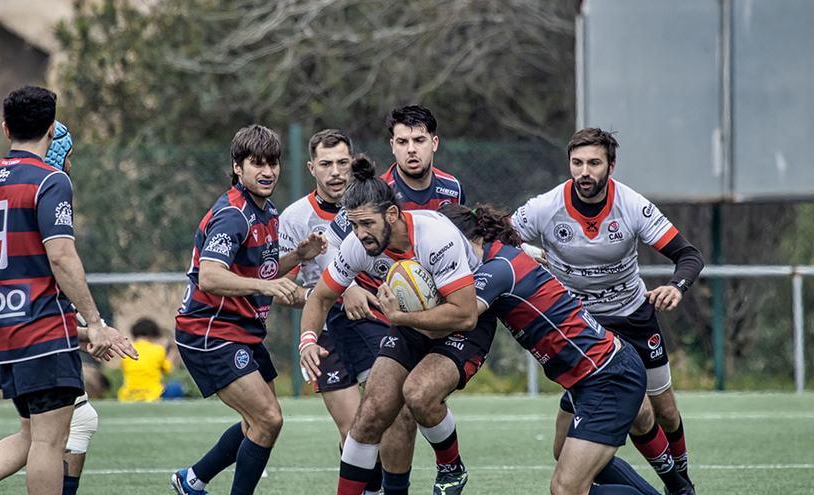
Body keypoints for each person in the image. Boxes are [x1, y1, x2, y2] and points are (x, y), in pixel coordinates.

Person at [0, 87, 136, 495]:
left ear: (6, 127)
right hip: (42, 327)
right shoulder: (51, 180)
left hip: (3, 324)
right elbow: (62, 257)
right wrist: (95, 322)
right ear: (53, 128)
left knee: (33, 431)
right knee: (48, 440)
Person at [510, 128, 703, 494]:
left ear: (610, 166)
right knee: (570, 444)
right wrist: (531, 252)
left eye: (594, 163)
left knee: (662, 410)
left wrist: (675, 287)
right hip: (582, 328)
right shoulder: (545, 207)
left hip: (633, 316)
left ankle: (681, 484)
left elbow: (689, 255)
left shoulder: (631, 205)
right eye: (577, 163)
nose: (584, 171)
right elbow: (496, 235)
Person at [301, 156, 494, 495]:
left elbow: (465, 314)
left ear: (391, 214)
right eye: (354, 224)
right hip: (411, 320)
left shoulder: (435, 237)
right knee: (370, 413)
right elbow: (320, 298)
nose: (360, 234)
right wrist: (307, 341)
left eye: (367, 224)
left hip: (465, 321)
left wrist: (400, 318)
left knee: (417, 394)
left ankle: (451, 466)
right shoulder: (357, 245)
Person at [439, 202, 661, 495]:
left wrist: (400, 315)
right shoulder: (498, 257)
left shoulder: (498, 270)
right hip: (587, 376)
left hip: (606, 375)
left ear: (461, 240)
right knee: (565, 453)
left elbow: (461, 316)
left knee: (566, 489)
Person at [170, 125, 325, 495]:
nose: (268, 171)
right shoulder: (233, 215)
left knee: (256, 421)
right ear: (238, 168)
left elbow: (264, 270)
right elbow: (209, 276)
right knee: (268, 419)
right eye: (257, 163)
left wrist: (298, 257)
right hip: (210, 332)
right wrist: (265, 286)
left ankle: (192, 479)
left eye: (273, 163)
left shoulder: (266, 210)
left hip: (241, 330)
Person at [323, 105, 467, 494]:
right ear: (392, 147)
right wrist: (351, 287)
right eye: (402, 142)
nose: (411, 150)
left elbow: (464, 247)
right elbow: (336, 243)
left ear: (434, 143)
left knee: (418, 398)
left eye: (419, 140)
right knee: (389, 410)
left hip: (435, 312)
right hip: (378, 310)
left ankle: (443, 467)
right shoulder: (377, 192)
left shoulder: (451, 189)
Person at [278, 130, 384, 494]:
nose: (336, 172)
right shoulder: (295, 218)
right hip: (324, 328)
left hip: (372, 320)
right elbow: (279, 286)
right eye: (326, 164)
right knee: (354, 428)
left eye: (343, 162)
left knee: (385, 422)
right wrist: (325, 293)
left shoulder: (373, 204)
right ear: (311, 168)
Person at [118, 318, 174, 402]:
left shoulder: (126, 350)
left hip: (128, 396)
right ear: (153, 334)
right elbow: (168, 369)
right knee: (175, 387)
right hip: (153, 395)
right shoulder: (158, 349)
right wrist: (173, 350)